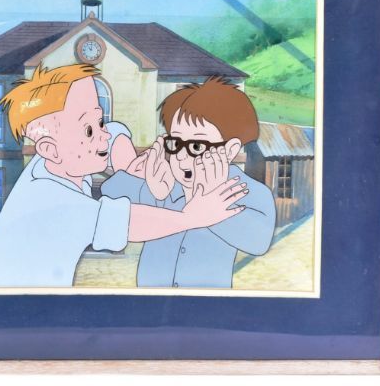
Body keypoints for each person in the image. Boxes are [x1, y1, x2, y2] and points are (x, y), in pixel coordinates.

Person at [0, 64, 249, 287]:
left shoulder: (52, 162)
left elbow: (114, 133)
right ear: (50, 149)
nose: (103, 134)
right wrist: (193, 217)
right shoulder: (52, 200)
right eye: (89, 130)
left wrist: (126, 162)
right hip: (14, 310)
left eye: (100, 120)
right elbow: (128, 222)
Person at [101, 77, 276, 288]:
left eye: (196, 147)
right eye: (175, 143)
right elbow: (110, 192)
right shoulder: (165, 183)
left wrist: (207, 206)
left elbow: (259, 241)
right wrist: (136, 175)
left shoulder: (248, 191)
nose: (182, 156)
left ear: (230, 150)